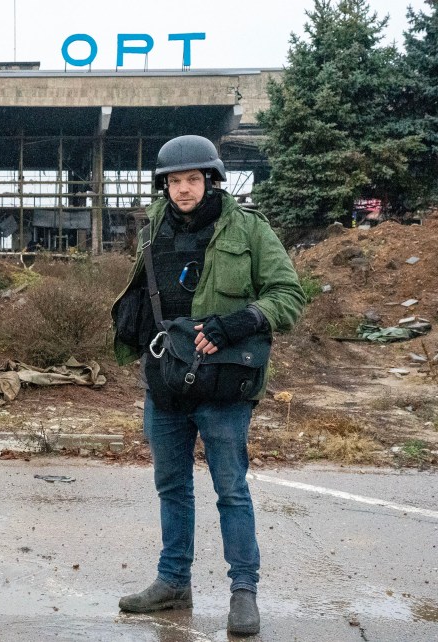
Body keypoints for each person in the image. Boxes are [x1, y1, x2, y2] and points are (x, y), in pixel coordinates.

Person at [110, 135, 305, 636]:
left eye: (193, 179)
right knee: (171, 489)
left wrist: (236, 324)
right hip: (167, 383)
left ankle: (244, 592)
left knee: (230, 491)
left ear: (211, 180)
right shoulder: (152, 230)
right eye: (174, 181)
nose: (183, 189)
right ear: (165, 186)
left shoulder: (248, 229)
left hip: (223, 388)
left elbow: (288, 295)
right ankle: (173, 581)